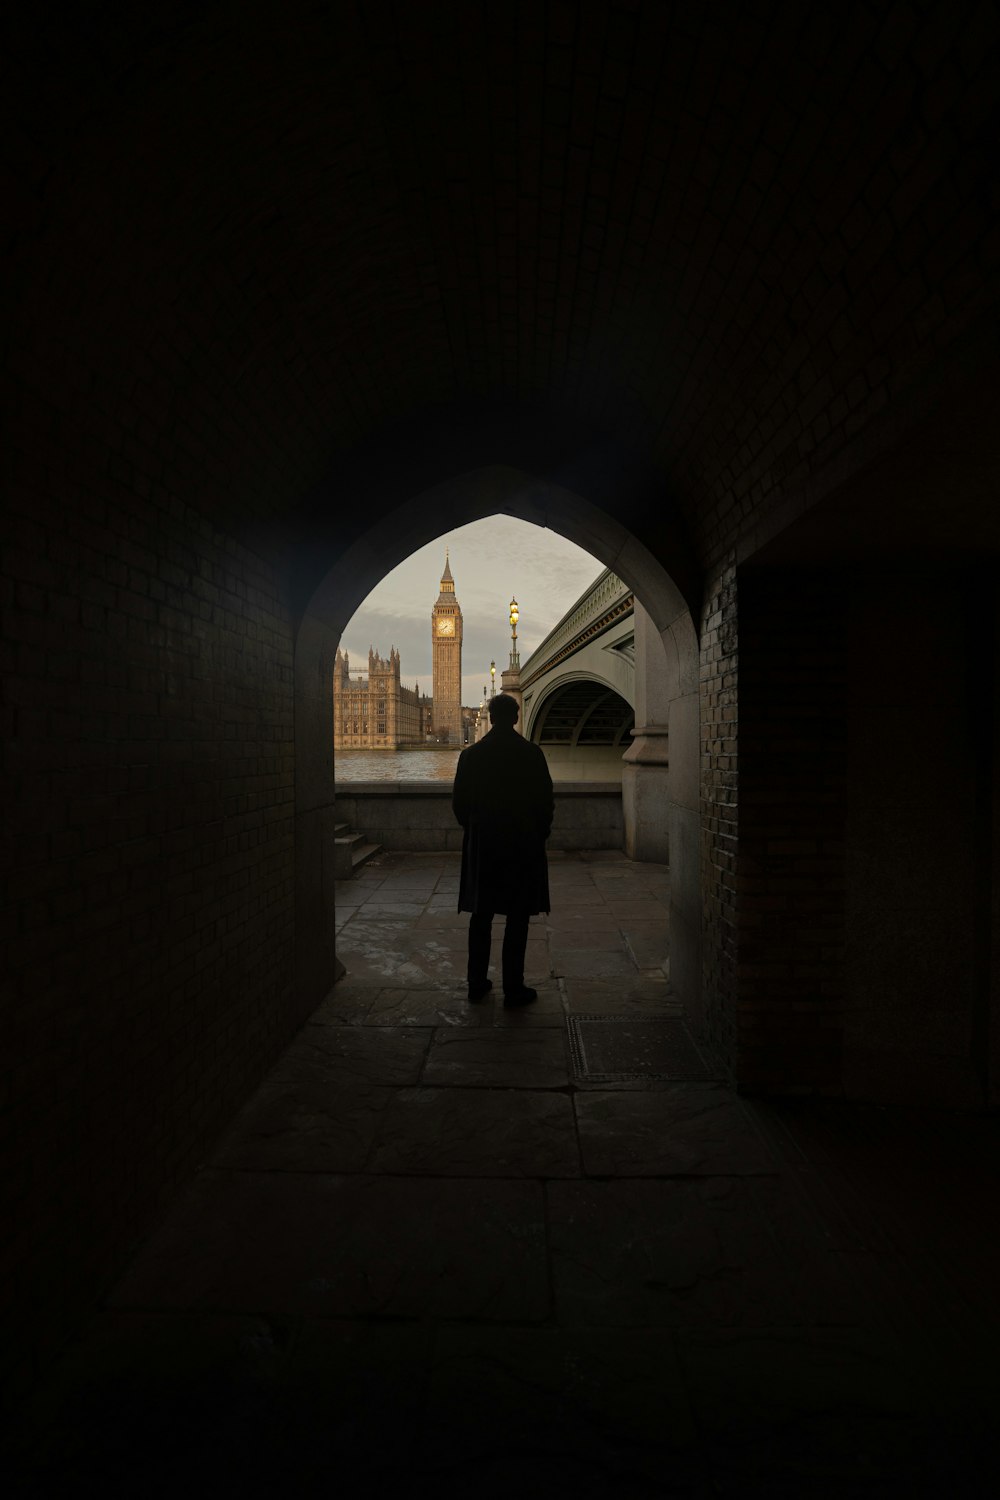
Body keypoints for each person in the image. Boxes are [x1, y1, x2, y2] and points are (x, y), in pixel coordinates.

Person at [452, 692, 554, 1007]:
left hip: (484, 848)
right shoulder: (532, 754)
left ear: (491, 718)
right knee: (517, 918)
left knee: (480, 918)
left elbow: (459, 806)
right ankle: (513, 988)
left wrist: (477, 830)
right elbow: (545, 804)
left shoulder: (470, 756)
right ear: (517, 717)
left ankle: (476, 983)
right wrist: (537, 835)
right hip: (521, 846)